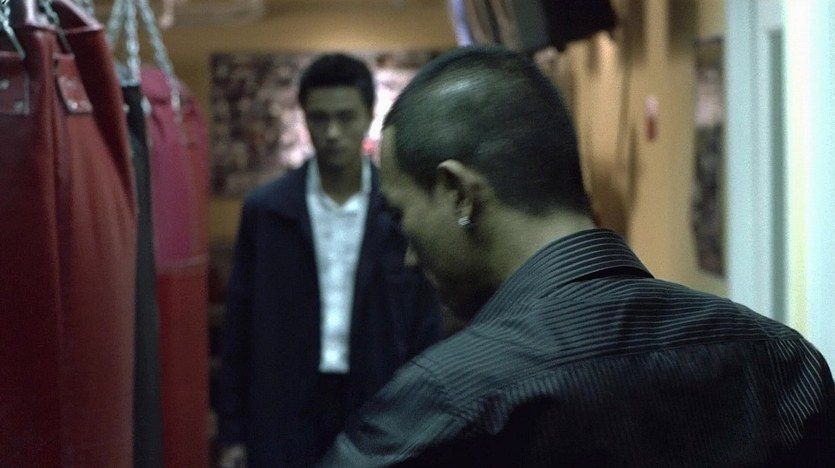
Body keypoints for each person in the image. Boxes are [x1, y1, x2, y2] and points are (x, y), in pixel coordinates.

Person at [317, 45, 835, 467]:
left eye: (401, 215)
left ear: (458, 193)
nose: (409, 256)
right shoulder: (779, 361)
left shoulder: (445, 401)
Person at [216, 53, 444, 468]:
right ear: (305, 118)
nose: (333, 133)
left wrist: (426, 422)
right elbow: (240, 323)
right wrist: (232, 431)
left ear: (368, 116)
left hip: (378, 395)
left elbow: (425, 320)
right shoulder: (268, 211)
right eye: (320, 118)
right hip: (285, 401)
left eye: (345, 117)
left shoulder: (399, 208)